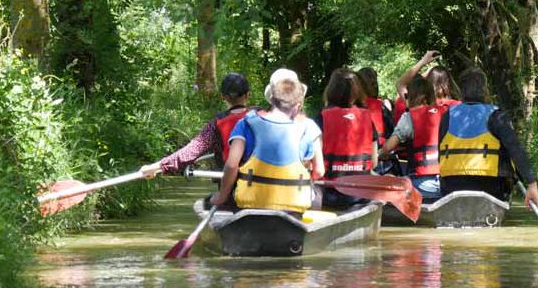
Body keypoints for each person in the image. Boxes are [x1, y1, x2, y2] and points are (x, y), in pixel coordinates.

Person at [211, 70, 322, 214]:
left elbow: (232, 165)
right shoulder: (310, 127)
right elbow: (319, 171)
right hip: (294, 207)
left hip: (251, 205)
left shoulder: (245, 123)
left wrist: (222, 196)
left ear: (271, 98)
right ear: (298, 104)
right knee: (317, 196)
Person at [438, 68, 538, 208]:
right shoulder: (497, 115)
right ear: (485, 90)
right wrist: (532, 183)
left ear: (461, 91)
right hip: (490, 185)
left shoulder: (447, 116)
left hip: (452, 185)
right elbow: (515, 149)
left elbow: (441, 153)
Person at [141, 72, 254, 176]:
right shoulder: (262, 117)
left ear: (222, 97)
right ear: (247, 95)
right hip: (265, 185)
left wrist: (157, 167)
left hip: (233, 189)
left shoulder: (215, 125)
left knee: (205, 199)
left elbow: (191, 151)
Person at [314, 68, 380, 208]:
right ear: (359, 92)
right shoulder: (368, 119)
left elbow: (316, 165)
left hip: (330, 194)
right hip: (362, 195)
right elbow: (373, 163)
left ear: (331, 91)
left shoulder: (322, 118)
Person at [380, 77, 445, 202]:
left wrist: (380, 154)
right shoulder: (445, 113)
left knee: (391, 182)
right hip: (447, 181)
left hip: (421, 183)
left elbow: (388, 148)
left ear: (413, 96)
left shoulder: (409, 117)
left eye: (407, 95)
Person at [392, 50, 460, 124]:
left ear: (428, 84)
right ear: (450, 83)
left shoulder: (419, 108)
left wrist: (423, 61)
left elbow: (400, 84)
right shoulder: (459, 107)